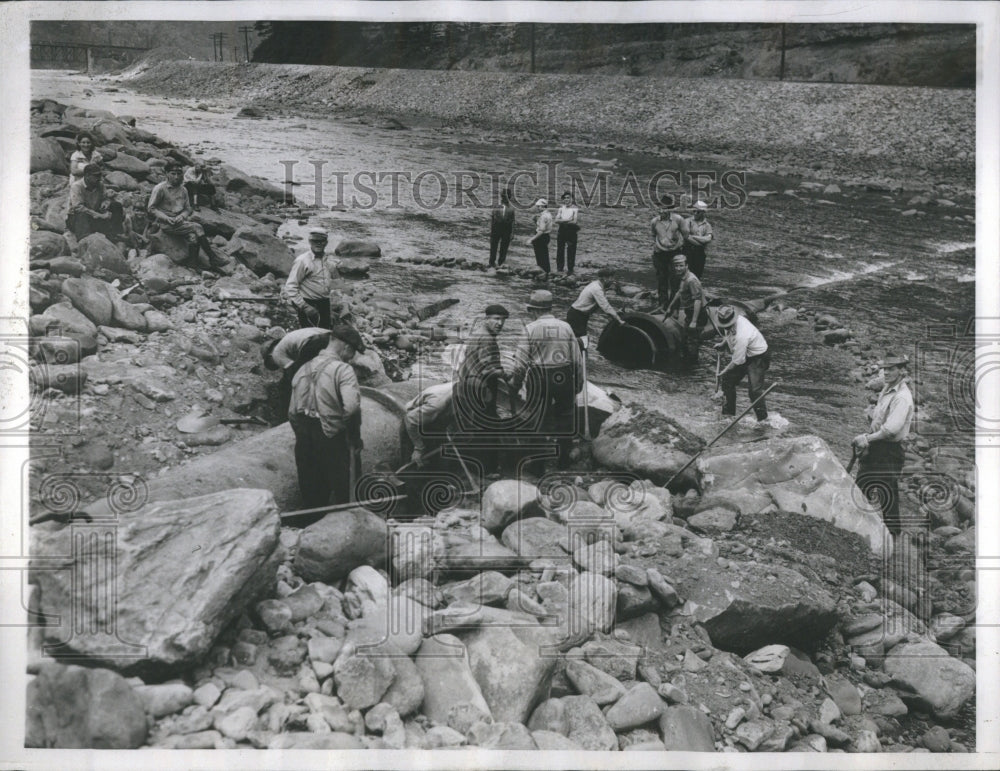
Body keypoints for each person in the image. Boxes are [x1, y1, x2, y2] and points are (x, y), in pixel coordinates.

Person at [288, 324, 365, 508]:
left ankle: (311, 528)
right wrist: (354, 437)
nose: (352, 358)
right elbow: (352, 407)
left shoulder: (303, 368)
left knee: (311, 490)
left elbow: (291, 413)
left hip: (304, 437)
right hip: (331, 437)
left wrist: (302, 434)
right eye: (353, 352)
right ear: (346, 347)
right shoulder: (343, 370)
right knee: (342, 489)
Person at [510, 289, 581, 467]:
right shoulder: (566, 327)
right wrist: (577, 383)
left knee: (539, 419)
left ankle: (538, 466)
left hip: (539, 375)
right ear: (550, 308)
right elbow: (577, 359)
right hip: (563, 374)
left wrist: (516, 385)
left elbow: (520, 362)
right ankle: (564, 460)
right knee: (566, 417)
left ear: (534, 310)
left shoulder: (530, 329)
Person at [853, 354, 915, 536]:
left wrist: (866, 439)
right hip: (877, 446)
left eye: (891, 369)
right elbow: (881, 418)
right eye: (885, 369)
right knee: (861, 488)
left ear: (902, 371)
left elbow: (891, 430)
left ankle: (892, 536)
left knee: (887, 496)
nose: (885, 372)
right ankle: (857, 529)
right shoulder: (887, 388)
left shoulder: (902, 397)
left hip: (888, 451)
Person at [148, 161, 232, 275]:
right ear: (166, 174)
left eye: (179, 173)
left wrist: (182, 216)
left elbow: (188, 209)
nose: (176, 177)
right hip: (167, 223)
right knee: (198, 227)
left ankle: (193, 264)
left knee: (193, 237)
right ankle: (213, 257)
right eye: (173, 173)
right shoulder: (160, 189)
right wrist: (166, 218)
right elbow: (152, 208)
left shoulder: (183, 190)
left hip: (179, 221)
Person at [715, 305, 771, 422]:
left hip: (758, 357)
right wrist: (723, 344)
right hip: (745, 353)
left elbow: (737, 361)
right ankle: (728, 416)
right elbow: (729, 334)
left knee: (754, 391)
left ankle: (763, 421)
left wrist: (722, 371)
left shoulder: (742, 335)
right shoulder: (729, 321)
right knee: (728, 380)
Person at [262, 327, 330, 418]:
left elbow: (293, 373)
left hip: (314, 342)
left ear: (269, 355)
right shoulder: (290, 340)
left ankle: (287, 417)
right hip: (332, 337)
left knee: (288, 384)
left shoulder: (276, 353)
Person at [283, 227, 335, 329]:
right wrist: (304, 306)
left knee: (325, 332)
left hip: (324, 302)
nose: (318, 243)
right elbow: (290, 286)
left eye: (321, 241)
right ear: (309, 241)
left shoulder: (327, 259)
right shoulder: (302, 261)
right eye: (315, 241)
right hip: (308, 303)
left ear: (326, 242)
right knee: (310, 335)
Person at [67, 163, 128, 244]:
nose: (99, 178)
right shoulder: (77, 186)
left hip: (94, 216)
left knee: (116, 205)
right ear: (87, 175)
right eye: (96, 176)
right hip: (76, 219)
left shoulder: (100, 184)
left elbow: (105, 198)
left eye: (100, 175)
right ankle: (84, 239)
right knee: (81, 214)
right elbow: (78, 207)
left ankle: (115, 233)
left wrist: (105, 203)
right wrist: (99, 215)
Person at [567, 267, 625, 347]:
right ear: (604, 278)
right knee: (581, 342)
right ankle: (577, 357)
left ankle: (576, 356)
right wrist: (619, 320)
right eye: (611, 277)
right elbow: (605, 306)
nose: (613, 280)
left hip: (579, 315)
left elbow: (602, 306)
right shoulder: (597, 289)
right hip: (577, 315)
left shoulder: (597, 285)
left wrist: (615, 313)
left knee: (578, 341)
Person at [663, 254, 705, 362]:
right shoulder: (683, 277)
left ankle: (692, 365)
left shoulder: (691, 280)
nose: (678, 268)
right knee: (686, 338)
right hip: (689, 312)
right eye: (676, 266)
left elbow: (698, 300)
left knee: (692, 340)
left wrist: (694, 321)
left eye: (681, 266)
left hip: (697, 313)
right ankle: (688, 361)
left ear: (686, 266)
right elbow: (679, 292)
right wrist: (670, 307)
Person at [405, 382, 456, 467]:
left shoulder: (463, 387)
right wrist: (418, 448)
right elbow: (410, 419)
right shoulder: (437, 404)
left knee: (439, 459)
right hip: (416, 424)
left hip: (435, 420)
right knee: (416, 462)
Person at [650, 194, 688, 311]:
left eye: (665, 208)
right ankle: (662, 305)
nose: (663, 210)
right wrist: (659, 246)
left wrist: (681, 252)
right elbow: (653, 235)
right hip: (660, 253)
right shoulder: (654, 221)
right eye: (661, 208)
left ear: (670, 209)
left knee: (675, 280)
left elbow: (685, 235)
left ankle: (673, 307)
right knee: (662, 280)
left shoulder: (678, 219)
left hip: (675, 253)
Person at [682, 200, 713, 279]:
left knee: (697, 276)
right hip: (687, 251)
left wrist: (694, 237)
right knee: (684, 275)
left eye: (698, 212)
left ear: (703, 212)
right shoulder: (687, 221)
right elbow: (686, 237)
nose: (695, 213)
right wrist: (700, 243)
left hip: (700, 254)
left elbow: (708, 239)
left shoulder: (707, 225)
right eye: (694, 211)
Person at [554, 191, 580, 275]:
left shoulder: (575, 209)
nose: (566, 200)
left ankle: (570, 269)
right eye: (565, 198)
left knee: (571, 250)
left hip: (571, 231)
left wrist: (562, 221)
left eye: (568, 198)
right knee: (560, 249)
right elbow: (556, 220)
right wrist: (568, 220)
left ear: (572, 199)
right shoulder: (561, 209)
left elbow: (575, 221)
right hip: (562, 230)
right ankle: (559, 268)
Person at [488, 189, 515, 268]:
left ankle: (501, 263)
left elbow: (513, 221)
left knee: (504, 247)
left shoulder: (511, 209)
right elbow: (492, 219)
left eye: (507, 197)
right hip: (496, 229)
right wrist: (491, 230)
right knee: (493, 246)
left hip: (507, 230)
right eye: (503, 196)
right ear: (501, 197)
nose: (504, 198)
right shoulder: (496, 207)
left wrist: (512, 233)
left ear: (509, 198)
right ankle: (491, 262)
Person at [527, 198, 553, 277]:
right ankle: (547, 271)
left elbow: (541, 230)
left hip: (541, 238)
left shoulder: (543, 216)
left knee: (540, 256)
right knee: (544, 255)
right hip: (546, 236)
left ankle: (541, 272)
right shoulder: (548, 214)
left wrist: (531, 239)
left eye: (538, 207)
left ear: (542, 206)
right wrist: (535, 220)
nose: (537, 208)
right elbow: (544, 226)